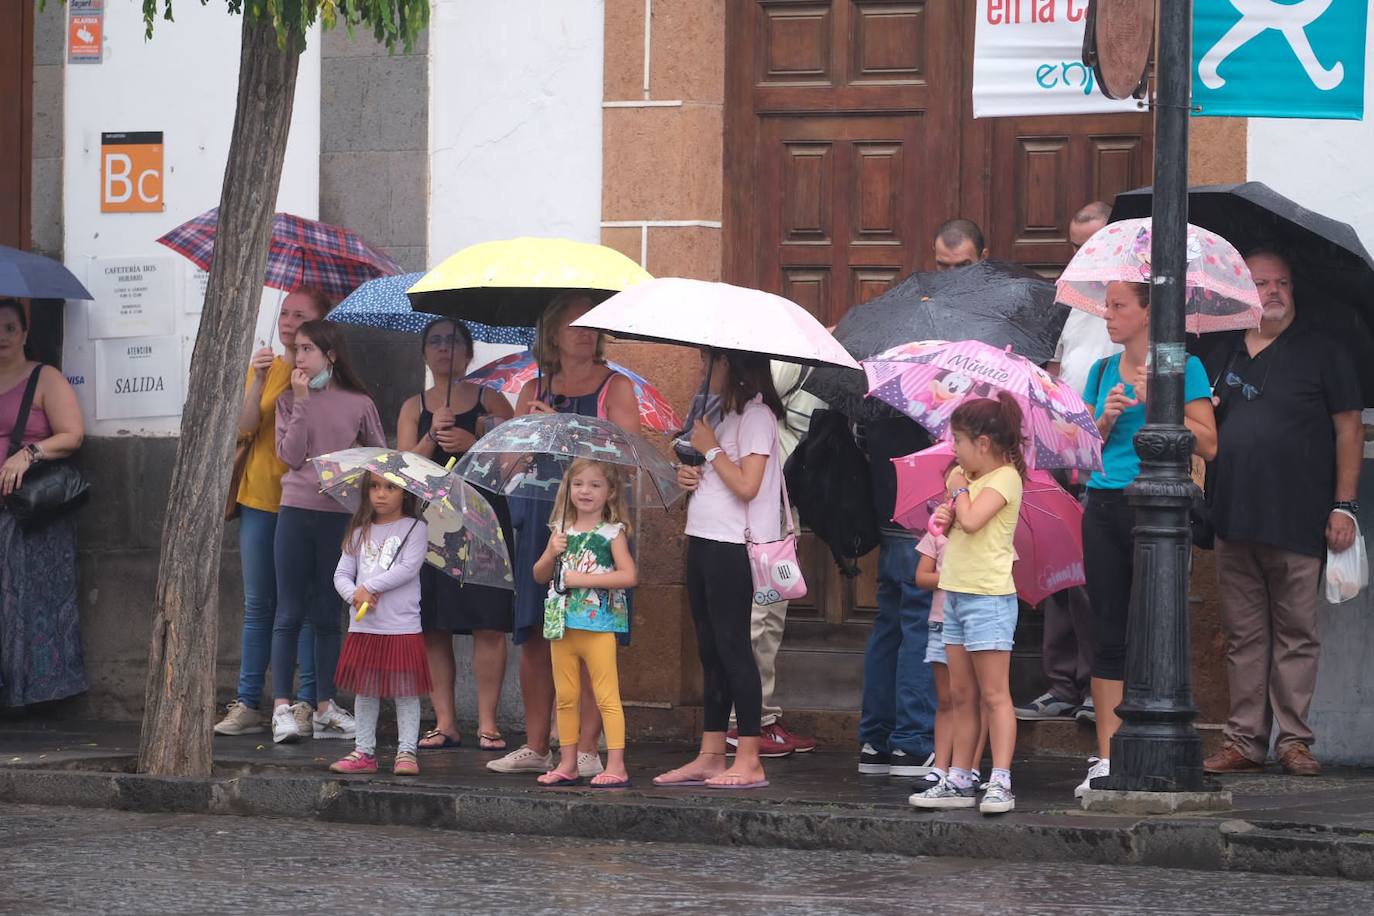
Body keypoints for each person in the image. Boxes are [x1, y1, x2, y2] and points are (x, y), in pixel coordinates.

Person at [1203, 251, 1363, 778]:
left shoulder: (1325, 350)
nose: (1273, 291)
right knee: (1243, 636)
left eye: (1282, 283)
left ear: (1294, 289)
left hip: (1299, 517)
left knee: (1297, 634)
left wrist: (1344, 506)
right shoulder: (1223, 350)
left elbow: (1349, 430)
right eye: (1262, 283)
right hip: (1233, 515)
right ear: (1244, 290)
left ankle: (1294, 741)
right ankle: (1244, 740)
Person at [486, 293, 641, 777]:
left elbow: (629, 460)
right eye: (574, 324)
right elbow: (506, 466)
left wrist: (567, 432)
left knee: (591, 630)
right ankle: (537, 744)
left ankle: (588, 748)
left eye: (592, 324)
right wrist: (528, 433)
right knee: (536, 631)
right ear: (552, 333)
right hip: (539, 517)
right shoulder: (534, 386)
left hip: (593, 526)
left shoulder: (615, 388)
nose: (584, 332)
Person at [1075, 281, 1216, 798]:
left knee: (1156, 629)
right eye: (1107, 306)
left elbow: (1210, 442)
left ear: (1147, 313)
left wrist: (1163, 399)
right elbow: (1082, 450)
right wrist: (1106, 414)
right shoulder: (1101, 370)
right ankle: (1109, 756)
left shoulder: (1187, 367)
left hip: (1158, 505)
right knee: (1106, 631)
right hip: (1105, 501)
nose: (1108, 316)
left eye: (1118, 307)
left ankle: (1156, 746)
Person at [654, 352, 785, 790]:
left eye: (713, 362)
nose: (705, 370)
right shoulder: (721, 414)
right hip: (705, 537)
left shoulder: (758, 415)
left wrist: (711, 447)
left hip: (734, 546)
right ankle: (711, 754)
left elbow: (748, 484)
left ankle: (748, 758)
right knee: (709, 649)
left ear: (733, 366)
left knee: (734, 648)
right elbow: (714, 473)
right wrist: (689, 475)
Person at [215, 288, 329, 737]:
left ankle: (305, 701)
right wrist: (260, 381)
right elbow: (243, 427)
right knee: (259, 604)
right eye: (285, 312)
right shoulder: (265, 367)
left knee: (301, 606)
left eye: (301, 314)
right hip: (259, 498)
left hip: (305, 503)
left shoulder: (322, 380)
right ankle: (247, 702)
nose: (288, 320)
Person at [397, 318, 515, 752]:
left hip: (483, 519)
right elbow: (405, 471)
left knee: (488, 623)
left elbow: (512, 465)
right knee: (434, 625)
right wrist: (432, 435)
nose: (444, 349)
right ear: (425, 352)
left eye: (453, 342)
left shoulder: (492, 400)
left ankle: (488, 722)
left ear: (468, 352)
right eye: (435, 342)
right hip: (431, 524)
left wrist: (473, 440)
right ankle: (444, 721)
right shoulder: (414, 406)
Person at [1021, 202, 1116, 727]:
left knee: (1091, 577)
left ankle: (1090, 683)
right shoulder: (1075, 302)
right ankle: (1061, 682)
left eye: (1092, 246)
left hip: (1102, 449)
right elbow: (1055, 372)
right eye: (1076, 248)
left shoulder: (1129, 303)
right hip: (1060, 447)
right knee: (1056, 567)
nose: (1083, 257)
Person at [270, 319, 386, 744]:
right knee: (288, 612)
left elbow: (379, 458)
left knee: (327, 614)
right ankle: (282, 707)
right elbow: (290, 456)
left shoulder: (358, 403)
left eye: (308, 350)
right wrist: (301, 401)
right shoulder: (288, 400)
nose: (299, 358)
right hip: (296, 511)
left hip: (339, 516)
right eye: (297, 349)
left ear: (330, 356)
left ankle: (324, 706)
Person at [909, 394, 1025, 816]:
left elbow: (975, 520)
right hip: (956, 594)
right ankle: (958, 777)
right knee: (961, 695)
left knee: (995, 694)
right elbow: (962, 526)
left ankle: (1000, 780)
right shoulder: (970, 483)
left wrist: (958, 494)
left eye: (957, 440)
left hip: (989, 598)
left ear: (983, 443)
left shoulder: (1005, 478)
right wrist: (946, 514)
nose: (953, 449)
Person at [724, 359, 822, 757]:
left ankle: (761, 716)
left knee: (771, 618)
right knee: (755, 618)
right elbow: (743, 400)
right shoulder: (789, 364)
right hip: (755, 513)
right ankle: (738, 720)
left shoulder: (838, 373)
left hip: (782, 507)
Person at [0, 298, 87, 707]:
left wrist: (27, 453)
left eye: (10, 328)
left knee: (30, 601)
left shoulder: (44, 378)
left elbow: (72, 435)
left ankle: (34, 693)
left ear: (24, 334)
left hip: (28, 511)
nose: (2, 337)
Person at [531, 459, 638, 787]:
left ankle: (616, 764)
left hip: (598, 625)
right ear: (568, 488)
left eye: (594, 485)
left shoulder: (612, 532)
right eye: (578, 484)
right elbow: (539, 575)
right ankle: (568, 762)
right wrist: (551, 552)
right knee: (565, 696)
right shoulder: (559, 529)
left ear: (609, 492)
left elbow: (629, 575)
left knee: (606, 694)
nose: (585, 491)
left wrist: (580, 577)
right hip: (561, 625)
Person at [328, 473, 431, 776]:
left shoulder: (416, 528)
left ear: (405, 494)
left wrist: (370, 587)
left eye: (390, 487)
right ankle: (364, 751)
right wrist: (354, 595)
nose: (381, 494)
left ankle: (407, 752)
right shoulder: (359, 532)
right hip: (365, 626)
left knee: (405, 689)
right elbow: (341, 574)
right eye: (374, 487)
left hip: (401, 624)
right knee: (366, 689)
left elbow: (409, 568)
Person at [856, 413, 937, 778]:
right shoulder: (943, 387)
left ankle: (876, 742)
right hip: (926, 517)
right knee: (921, 627)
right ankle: (913, 740)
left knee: (889, 627)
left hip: (887, 510)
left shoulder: (886, 386)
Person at [915, 484, 990, 790]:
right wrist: (951, 577)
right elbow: (921, 576)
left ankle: (970, 765)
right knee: (946, 699)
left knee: (975, 698)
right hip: (940, 623)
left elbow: (1004, 570)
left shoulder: (987, 535)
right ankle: (941, 765)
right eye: (950, 491)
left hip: (975, 625)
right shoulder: (938, 534)